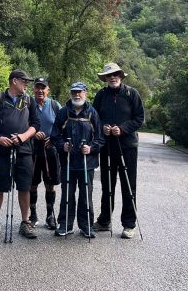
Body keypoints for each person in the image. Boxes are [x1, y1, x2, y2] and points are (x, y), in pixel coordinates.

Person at [0, 69, 41, 240]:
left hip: (24, 150)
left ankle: (25, 222)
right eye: (24, 81)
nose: (27, 84)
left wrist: (23, 136)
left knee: (24, 186)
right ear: (14, 81)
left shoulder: (29, 100)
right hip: (2, 150)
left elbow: (36, 124)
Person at [92, 62, 145, 239]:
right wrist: (102, 128)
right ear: (105, 78)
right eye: (109, 75)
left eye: (115, 74)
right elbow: (94, 118)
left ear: (121, 76)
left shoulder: (132, 93)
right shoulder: (101, 95)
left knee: (128, 185)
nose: (112, 77)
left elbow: (139, 118)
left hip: (128, 146)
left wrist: (122, 129)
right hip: (107, 146)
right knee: (107, 184)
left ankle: (129, 224)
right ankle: (104, 220)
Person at [51, 82, 103, 237]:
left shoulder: (92, 113)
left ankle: (86, 226)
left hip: (87, 163)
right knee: (67, 194)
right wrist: (62, 145)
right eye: (74, 92)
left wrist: (91, 148)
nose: (76, 95)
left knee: (86, 195)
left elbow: (100, 138)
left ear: (85, 93)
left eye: (79, 92)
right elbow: (55, 135)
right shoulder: (63, 112)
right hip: (68, 162)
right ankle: (65, 225)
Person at [29, 77, 61, 230]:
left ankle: (50, 215)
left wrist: (54, 138)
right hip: (32, 149)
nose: (40, 90)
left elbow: (63, 125)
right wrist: (33, 133)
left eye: (43, 88)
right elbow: (23, 123)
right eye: (37, 87)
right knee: (32, 183)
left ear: (48, 90)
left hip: (50, 149)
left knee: (50, 183)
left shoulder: (55, 105)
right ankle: (33, 215)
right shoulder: (28, 104)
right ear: (33, 89)